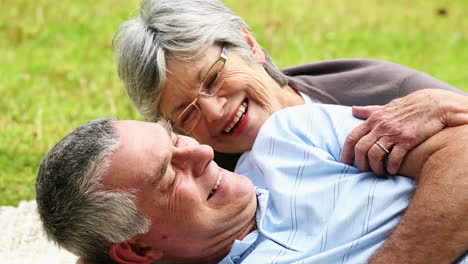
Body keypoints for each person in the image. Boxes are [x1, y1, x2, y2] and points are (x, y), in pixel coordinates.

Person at [110, 0, 468, 262]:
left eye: (214, 79)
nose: (216, 111)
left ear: (249, 44)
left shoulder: (375, 91)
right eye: (187, 113)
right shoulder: (202, 177)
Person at [36, 104, 468, 263]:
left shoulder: (291, 136)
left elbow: (462, 150)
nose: (203, 153)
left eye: (176, 138)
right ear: (139, 249)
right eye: (169, 174)